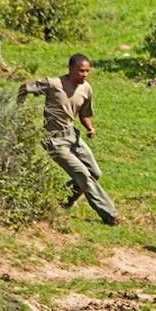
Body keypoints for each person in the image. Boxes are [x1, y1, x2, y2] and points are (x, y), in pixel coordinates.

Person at [17, 53, 121, 225]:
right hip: (54, 140)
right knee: (82, 174)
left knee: (95, 172)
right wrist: (18, 112)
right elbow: (24, 87)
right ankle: (110, 215)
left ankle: (60, 201)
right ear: (71, 69)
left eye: (87, 71)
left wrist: (90, 128)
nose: (85, 74)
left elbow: (84, 113)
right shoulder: (53, 84)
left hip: (73, 136)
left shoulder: (86, 88)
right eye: (81, 71)